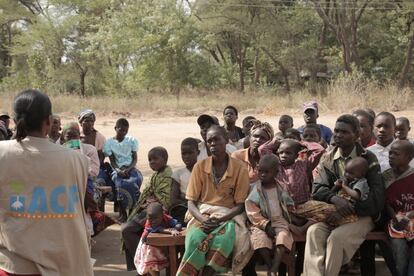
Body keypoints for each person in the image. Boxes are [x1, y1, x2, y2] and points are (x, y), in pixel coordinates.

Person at [0, 89, 93, 275]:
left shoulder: (2, 153)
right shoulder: (77, 160)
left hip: (12, 265)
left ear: (16, 120)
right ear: (49, 121)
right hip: (64, 264)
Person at [303, 114, 384, 276]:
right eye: (336, 131)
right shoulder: (328, 158)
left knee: (337, 238)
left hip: (362, 215)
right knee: (313, 232)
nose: (338, 135)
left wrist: (347, 208)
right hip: (333, 213)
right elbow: (317, 189)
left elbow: (376, 198)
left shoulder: (367, 159)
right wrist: (335, 200)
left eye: (344, 132)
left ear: (356, 135)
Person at [177, 125, 251, 276]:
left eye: (216, 139)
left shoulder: (239, 168)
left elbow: (240, 205)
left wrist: (220, 219)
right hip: (202, 215)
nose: (212, 144)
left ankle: (208, 273)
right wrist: (203, 219)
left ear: (226, 141)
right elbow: (191, 202)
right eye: (209, 141)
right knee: (195, 239)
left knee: (224, 240)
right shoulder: (200, 167)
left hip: (228, 216)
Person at [121, 146, 172, 271]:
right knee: (127, 229)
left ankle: (143, 265)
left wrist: (152, 200)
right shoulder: (156, 175)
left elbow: (167, 199)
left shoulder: (167, 175)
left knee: (127, 229)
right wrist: (146, 202)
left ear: (165, 160)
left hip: (160, 213)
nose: (152, 162)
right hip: (148, 209)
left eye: (155, 159)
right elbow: (148, 195)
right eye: (149, 160)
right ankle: (144, 265)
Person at [61, 122, 115, 237]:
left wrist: (80, 161)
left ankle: (90, 224)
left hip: (85, 182)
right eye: (68, 136)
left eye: (74, 136)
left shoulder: (89, 149)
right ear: (63, 138)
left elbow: (94, 171)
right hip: (64, 184)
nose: (71, 139)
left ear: (79, 137)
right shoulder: (58, 150)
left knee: (83, 196)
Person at [245, 154, 294, 275]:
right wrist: (265, 225)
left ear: (276, 172)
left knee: (282, 237)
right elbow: (252, 211)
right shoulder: (255, 189)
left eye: (267, 172)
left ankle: (275, 266)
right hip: (261, 223)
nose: (262, 174)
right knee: (259, 239)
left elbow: (288, 203)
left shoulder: (282, 187)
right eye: (260, 171)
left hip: (279, 220)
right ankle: (269, 265)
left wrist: (291, 212)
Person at [293, 157, 370, 227]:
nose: (347, 175)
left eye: (351, 173)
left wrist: (345, 187)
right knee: (315, 208)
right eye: (346, 172)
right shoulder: (347, 180)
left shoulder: (361, 182)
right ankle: (301, 223)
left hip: (348, 212)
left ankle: (296, 215)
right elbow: (331, 192)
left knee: (317, 209)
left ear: (362, 174)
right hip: (336, 207)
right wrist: (336, 186)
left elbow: (357, 196)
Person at [103, 118, 143, 222]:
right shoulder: (109, 143)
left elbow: (135, 159)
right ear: (115, 128)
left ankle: (132, 212)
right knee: (119, 185)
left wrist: (129, 168)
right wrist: (118, 170)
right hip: (117, 170)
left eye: (126, 131)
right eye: (121, 130)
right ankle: (123, 213)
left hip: (131, 168)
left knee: (134, 181)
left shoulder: (131, 141)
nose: (123, 132)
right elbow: (112, 161)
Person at [384, 140, 414, 276]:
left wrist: (408, 216)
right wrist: (395, 216)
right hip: (394, 223)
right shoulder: (385, 176)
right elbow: (385, 203)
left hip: (411, 220)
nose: (391, 156)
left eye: (396, 154)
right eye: (390, 153)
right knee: (398, 248)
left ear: (409, 157)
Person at [134, 203, 181, 276]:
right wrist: (170, 230)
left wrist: (177, 227)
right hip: (147, 246)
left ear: (162, 215)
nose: (153, 221)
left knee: (161, 263)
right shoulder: (148, 223)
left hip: (160, 245)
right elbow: (158, 229)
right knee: (151, 265)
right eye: (150, 218)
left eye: (156, 218)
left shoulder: (166, 218)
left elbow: (176, 223)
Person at [232, 120, 274, 186]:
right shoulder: (237, 156)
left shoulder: (271, 159)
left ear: (269, 142)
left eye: (263, 138)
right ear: (250, 137)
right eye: (255, 136)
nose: (258, 140)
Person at [170, 137, 199, 225]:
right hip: (184, 208)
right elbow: (173, 200)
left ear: (197, 153)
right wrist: (189, 202)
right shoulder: (178, 174)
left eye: (190, 153)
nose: (187, 156)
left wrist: (184, 196)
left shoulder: (204, 171)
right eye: (184, 153)